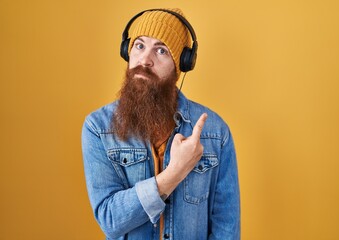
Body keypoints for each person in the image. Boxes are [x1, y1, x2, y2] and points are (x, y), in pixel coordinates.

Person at [82, 8, 240, 240]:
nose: (145, 60)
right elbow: (110, 219)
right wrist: (175, 172)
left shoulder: (215, 133)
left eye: (161, 50)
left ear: (181, 65)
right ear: (127, 51)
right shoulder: (98, 128)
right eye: (139, 45)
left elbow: (226, 227)